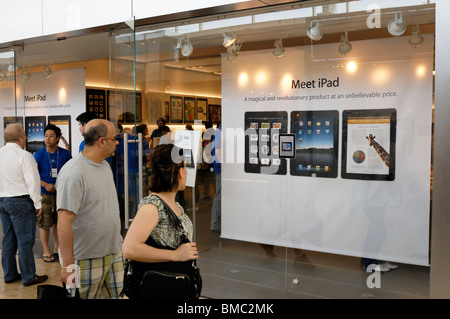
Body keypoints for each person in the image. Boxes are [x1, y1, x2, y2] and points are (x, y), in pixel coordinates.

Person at [56, 119, 124, 299]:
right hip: (84, 260)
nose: (117, 142)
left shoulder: (105, 165)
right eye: (114, 139)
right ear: (102, 141)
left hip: (113, 252)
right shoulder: (73, 173)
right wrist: (68, 265)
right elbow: (63, 222)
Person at [122, 144, 198, 286]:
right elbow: (129, 248)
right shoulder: (153, 206)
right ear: (179, 172)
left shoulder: (174, 205)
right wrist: (175, 255)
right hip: (161, 287)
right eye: (185, 167)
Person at [0, 123, 48, 286]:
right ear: (20, 138)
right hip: (20, 202)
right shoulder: (24, 155)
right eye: (25, 135)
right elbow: (32, 181)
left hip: (2, 202)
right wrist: (37, 203)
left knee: (8, 239)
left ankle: (9, 275)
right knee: (25, 240)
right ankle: (29, 276)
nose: (26, 138)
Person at [33, 124, 72, 263]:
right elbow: (33, 175)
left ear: (57, 138)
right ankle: (46, 250)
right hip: (44, 194)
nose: (47, 139)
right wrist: (45, 184)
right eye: (45, 136)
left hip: (61, 193)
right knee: (44, 223)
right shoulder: (39, 154)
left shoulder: (65, 154)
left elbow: (70, 172)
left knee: (59, 222)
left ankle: (56, 249)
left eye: (51, 136)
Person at [210, 124, 221, 232]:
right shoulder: (220, 132)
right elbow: (218, 152)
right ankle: (215, 223)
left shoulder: (218, 132)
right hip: (222, 170)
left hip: (221, 168)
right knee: (219, 195)